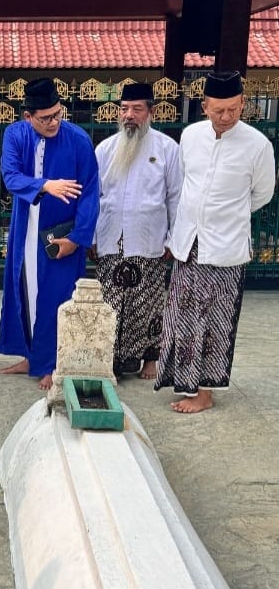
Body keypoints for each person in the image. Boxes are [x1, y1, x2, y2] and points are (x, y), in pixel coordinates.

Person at [155, 70, 276, 413]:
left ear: (242, 105)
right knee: (182, 315)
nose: (226, 117)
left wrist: (227, 214)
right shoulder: (190, 136)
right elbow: (185, 183)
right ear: (204, 106)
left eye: (234, 109)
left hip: (225, 249)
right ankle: (183, 380)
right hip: (188, 244)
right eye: (219, 110)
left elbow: (262, 194)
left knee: (215, 321)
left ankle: (205, 391)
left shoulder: (257, 145)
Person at [0, 78, 100, 388]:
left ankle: (53, 363)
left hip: (62, 234)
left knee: (57, 296)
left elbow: (91, 192)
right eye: (46, 118)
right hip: (26, 230)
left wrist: (77, 238)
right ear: (28, 117)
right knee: (25, 290)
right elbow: (11, 176)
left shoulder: (78, 139)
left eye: (58, 114)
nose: (54, 122)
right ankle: (31, 356)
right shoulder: (15, 135)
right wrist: (44, 185)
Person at [91, 83, 182, 379]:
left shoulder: (167, 149)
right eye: (124, 109)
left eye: (137, 109)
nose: (129, 115)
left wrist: (173, 239)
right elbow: (94, 196)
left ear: (150, 112)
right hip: (110, 239)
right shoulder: (105, 149)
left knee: (149, 304)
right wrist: (90, 237)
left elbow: (176, 197)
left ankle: (150, 359)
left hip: (149, 239)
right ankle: (109, 360)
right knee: (111, 303)